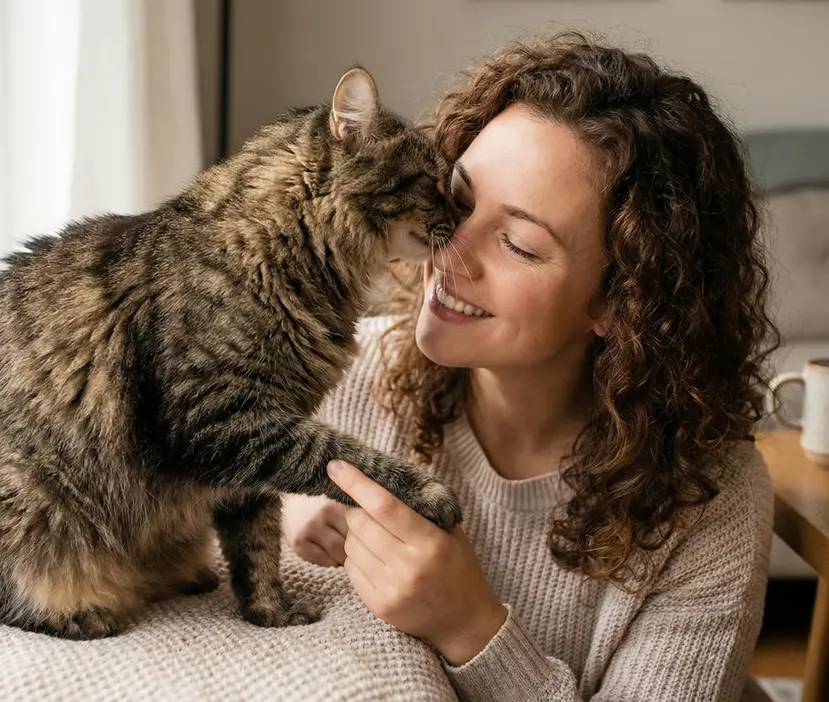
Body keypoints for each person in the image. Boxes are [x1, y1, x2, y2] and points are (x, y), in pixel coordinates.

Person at [284, 30, 779, 701]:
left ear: (619, 301)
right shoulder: (325, 370)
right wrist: (257, 509)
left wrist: (471, 630)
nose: (449, 249)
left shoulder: (707, 500)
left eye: (518, 244)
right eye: (455, 201)